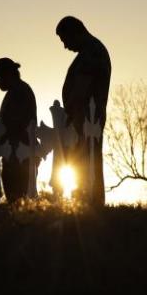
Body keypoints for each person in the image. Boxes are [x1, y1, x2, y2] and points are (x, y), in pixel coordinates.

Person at [57, 16, 112, 205]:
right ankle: (86, 200)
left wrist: (71, 111)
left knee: (87, 160)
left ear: (75, 32)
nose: (65, 46)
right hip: (82, 119)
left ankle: (90, 202)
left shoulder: (92, 52)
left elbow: (82, 87)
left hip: (88, 119)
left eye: (65, 40)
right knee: (84, 159)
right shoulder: (89, 51)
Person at [0, 57, 37, 203]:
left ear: (7, 75)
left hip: (19, 153)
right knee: (15, 199)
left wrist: (4, 137)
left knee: (18, 198)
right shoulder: (15, 92)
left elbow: (17, 123)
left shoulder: (20, 91)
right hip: (14, 152)